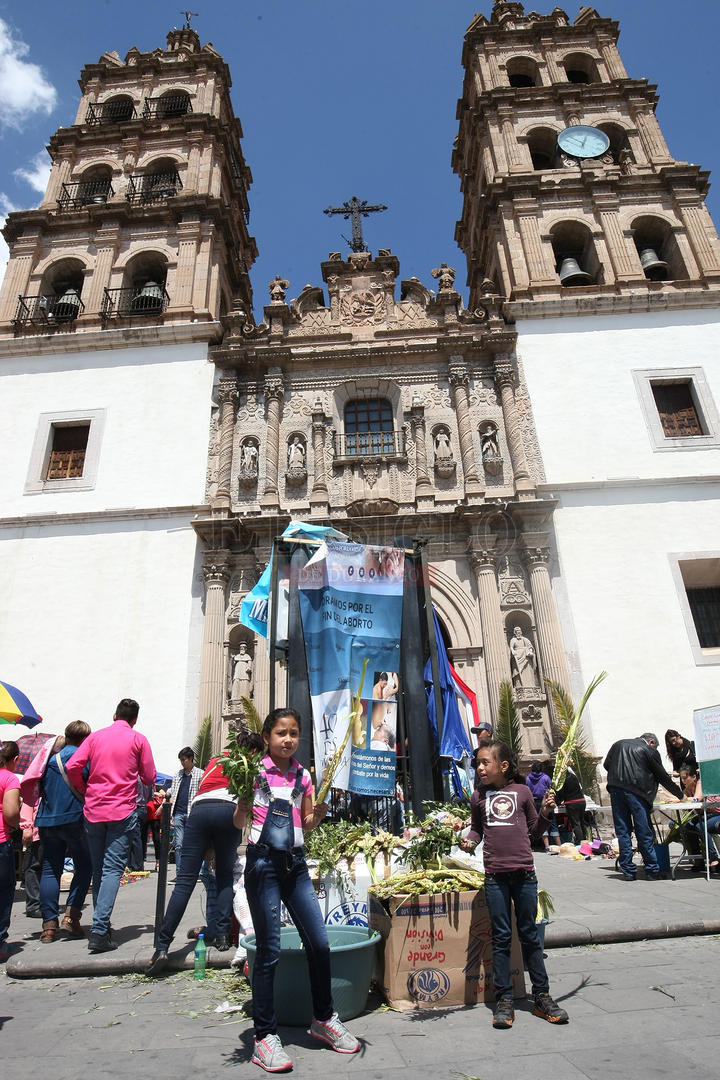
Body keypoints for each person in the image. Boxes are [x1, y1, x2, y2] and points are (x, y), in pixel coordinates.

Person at [233, 707, 360, 1071]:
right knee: (269, 950)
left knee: (319, 943)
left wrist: (317, 815)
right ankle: (264, 1037)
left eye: (293, 734)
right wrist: (242, 802)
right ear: (267, 736)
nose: (288, 740)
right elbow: (239, 821)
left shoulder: (303, 775)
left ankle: (323, 1019)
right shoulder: (254, 773)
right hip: (262, 865)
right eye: (280, 733)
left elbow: (305, 822)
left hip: (296, 865)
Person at [461, 739, 568, 1029]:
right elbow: (476, 829)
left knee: (530, 935)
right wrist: (468, 841)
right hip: (495, 876)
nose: (480, 768)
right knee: (501, 937)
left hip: (524, 875)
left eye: (485, 762)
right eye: (478, 763)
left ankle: (542, 995)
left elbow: (535, 831)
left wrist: (546, 813)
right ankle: (504, 998)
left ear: (503, 766)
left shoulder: (521, 793)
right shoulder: (478, 797)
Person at [147, 739, 253, 973]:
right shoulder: (249, 762)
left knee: (184, 882)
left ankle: (162, 946)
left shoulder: (217, 759)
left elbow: (202, 786)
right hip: (228, 809)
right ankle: (223, 937)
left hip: (199, 810)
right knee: (225, 875)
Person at [65, 698, 155, 952]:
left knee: (98, 870)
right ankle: (100, 929)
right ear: (135, 719)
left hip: (93, 809)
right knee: (113, 869)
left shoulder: (95, 738)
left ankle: (100, 925)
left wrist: (83, 789)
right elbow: (148, 776)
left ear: (115, 715)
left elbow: (73, 766)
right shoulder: (138, 740)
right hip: (121, 810)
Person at [35, 722, 93, 943]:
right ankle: (71, 916)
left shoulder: (49, 760)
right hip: (74, 817)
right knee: (84, 865)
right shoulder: (82, 758)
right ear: (85, 738)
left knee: (50, 870)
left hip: (48, 820)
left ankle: (49, 925)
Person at [603, 731, 683, 881]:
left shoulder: (618, 744)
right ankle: (652, 870)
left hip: (616, 790)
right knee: (643, 831)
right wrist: (680, 794)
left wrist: (619, 777)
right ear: (651, 742)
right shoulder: (648, 750)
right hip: (637, 792)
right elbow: (662, 776)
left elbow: (607, 764)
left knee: (623, 831)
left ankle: (627, 871)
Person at [0, 741, 22, 962]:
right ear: (15, 760)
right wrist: (17, 824)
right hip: (0, 840)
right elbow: (10, 812)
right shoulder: (9, 778)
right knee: (4, 890)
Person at [677, 764, 720, 871]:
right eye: (681, 778)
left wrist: (682, 799)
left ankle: (713, 858)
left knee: (701, 826)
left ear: (694, 777)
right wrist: (667, 795)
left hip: (716, 814)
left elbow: (697, 799)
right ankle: (698, 859)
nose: (683, 781)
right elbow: (681, 797)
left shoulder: (701, 783)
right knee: (688, 826)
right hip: (706, 815)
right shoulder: (689, 787)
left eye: (685, 778)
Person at [169, 747, 203, 874]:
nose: (182, 762)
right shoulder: (177, 775)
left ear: (190, 759)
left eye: (184, 760)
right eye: (181, 760)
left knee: (194, 844)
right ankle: (180, 872)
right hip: (178, 812)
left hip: (192, 813)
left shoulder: (200, 774)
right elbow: (173, 793)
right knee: (179, 844)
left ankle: (196, 872)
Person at [525, 762, 558, 851]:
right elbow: (551, 788)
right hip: (545, 801)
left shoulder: (528, 778)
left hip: (534, 802)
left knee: (540, 821)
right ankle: (559, 844)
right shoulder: (545, 778)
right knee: (553, 823)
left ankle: (546, 846)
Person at [552, 767, 587, 846]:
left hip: (572, 803)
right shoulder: (573, 776)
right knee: (581, 822)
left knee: (576, 823)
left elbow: (560, 793)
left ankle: (580, 842)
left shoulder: (562, 780)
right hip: (581, 801)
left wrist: (558, 801)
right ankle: (585, 840)